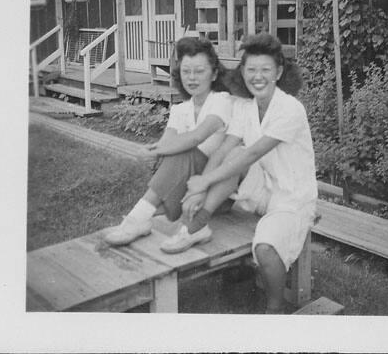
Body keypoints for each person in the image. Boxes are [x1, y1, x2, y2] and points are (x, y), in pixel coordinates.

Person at [161, 34, 318, 314]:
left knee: (266, 250)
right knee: (229, 155)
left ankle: (274, 309)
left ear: (279, 72)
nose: (257, 77)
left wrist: (205, 180)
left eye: (265, 70)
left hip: (291, 198)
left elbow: (252, 153)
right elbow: (224, 150)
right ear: (243, 72)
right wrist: (198, 189)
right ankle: (195, 226)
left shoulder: (291, 109)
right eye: (251, 70)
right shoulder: (246, 107)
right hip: (262, 188)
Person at [104, 36, 232, 246]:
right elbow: (166, 145)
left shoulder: (222, 101)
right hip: (185, 189)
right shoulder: (180, 109)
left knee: (187, 150)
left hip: (216, 194)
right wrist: (152, 150)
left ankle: (137, 219)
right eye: (186, 71)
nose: (192, 78)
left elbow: (197, 137)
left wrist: (154, 151)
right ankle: (140, 219)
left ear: (214, 73)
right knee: (172, 153)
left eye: (199, 71)